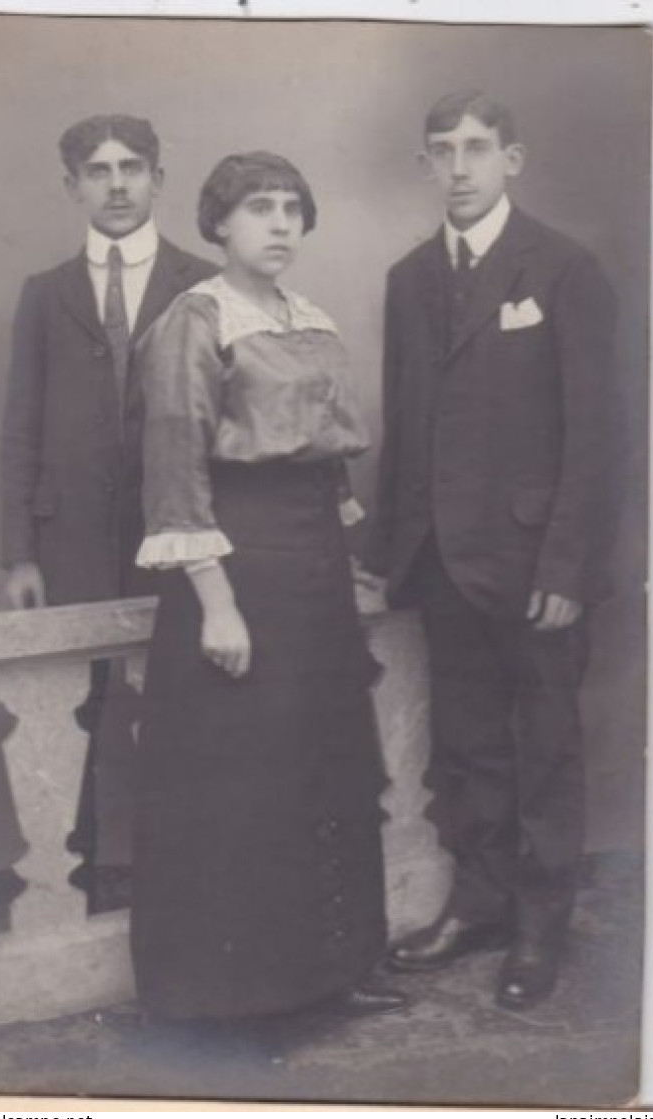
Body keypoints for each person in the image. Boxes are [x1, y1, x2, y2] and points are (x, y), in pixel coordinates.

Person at [130, 151, 404, 1022]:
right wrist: (216, 604)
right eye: (258, 208)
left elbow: (324, 461)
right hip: (239, 569)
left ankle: (337, 969)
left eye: (291, 207)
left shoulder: (308, 320)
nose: (280, 223)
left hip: (314, 569)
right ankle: (243, 997)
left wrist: (344, 558)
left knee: (327, 765)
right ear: (218, 223)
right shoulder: (195, 320)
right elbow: (175, 474)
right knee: (247, 782)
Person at [363, 91, 619, 1009]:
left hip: (530, 566)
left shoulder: (563, 269)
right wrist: (394, 550)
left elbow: (595, 436)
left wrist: (564, 569)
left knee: (543, 745)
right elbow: (405, 423)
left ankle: (539, 929)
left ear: (513, 159)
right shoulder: (407, 278)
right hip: (440, 559)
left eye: (477, 148)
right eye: (442, 149)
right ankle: (478, 904)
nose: (459, 166)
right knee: (466, 747)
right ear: (424, 164)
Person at [0, 115, 215, 908]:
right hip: (75, 539)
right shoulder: (46, 295)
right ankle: (96, 873)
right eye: (98, 170)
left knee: (177, 693)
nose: (117, 184)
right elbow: (21, 425)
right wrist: (20, 552)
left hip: (173, 529)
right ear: (73, 186)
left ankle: (182, 868)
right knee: (84, 702)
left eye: (132, 168)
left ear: (158, 178)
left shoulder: (200, 282)